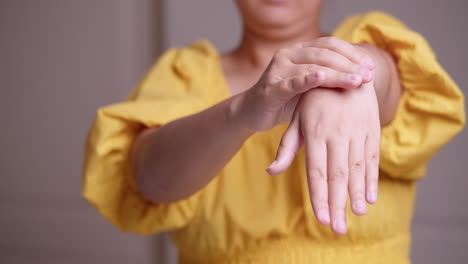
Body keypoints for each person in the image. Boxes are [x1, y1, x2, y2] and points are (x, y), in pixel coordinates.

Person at [83, 1, 465, 263]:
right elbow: (150, 179)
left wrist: (349, 77)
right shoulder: (187, 74)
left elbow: (388, 78)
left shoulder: (374, 43)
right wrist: (241, 112)